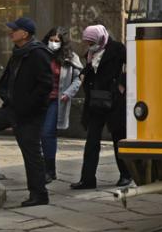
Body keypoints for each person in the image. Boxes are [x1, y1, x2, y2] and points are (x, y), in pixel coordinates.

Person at [0, 17, 54, 207]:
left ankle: (39, 194)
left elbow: (45, 86)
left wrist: (28, 106)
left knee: (31, 152)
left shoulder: (38, 53)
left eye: (14, 30)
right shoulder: (19, 52)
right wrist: (7, 96)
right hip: (12, 107)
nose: (10, 33)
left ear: (25, 34)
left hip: (30, 113)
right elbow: (10, 78)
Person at [73, 24, 131, 189]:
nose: (89, 45)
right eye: (88, 42)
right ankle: (87, 179)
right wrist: (83, 73)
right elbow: (91, 69)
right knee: (92, 141)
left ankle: (126, 174)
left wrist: (121, 84)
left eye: (92, 42)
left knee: (118, 139)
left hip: (114, 101)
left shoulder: (117, 49)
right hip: (95, 101)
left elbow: (132, 65)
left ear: (100, 38)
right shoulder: (91, 53)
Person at [41, 27, 83, 183]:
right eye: (51, 40)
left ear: (62, 42)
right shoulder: (41, 54)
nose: (53, 43)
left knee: (47, 133)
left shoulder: (70, 57)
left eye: (56, 41)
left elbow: (79, 78)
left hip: (56, 100)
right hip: (39, 99)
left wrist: (69, 92)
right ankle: (41, 168)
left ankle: (49, 170)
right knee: (38, 134)